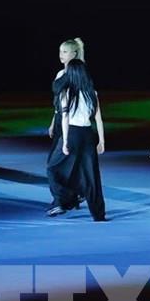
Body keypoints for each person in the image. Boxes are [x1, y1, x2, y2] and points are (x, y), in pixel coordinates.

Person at [48, 59, 106, 220]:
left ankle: (64, 199)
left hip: (72, 133)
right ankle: (98, 214)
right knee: (91, 175)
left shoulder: (66, 93)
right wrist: (102, 141)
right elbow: (98, 119)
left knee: (53, 168)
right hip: (88, 135)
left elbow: (65, 118)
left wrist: (65, 141)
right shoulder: (92, 93)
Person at [47, 38, 83, 213]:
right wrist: (53, 122)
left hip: (70, 122)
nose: (61, 55)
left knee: (53, 165)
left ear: (74, 54)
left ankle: (61, 200)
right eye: (60, 51)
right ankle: (72, 196)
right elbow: (58, 103)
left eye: (65, 51)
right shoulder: (61, 73)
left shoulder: (77, 74)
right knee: (62, 163)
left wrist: (81, 48)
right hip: (60, 120)